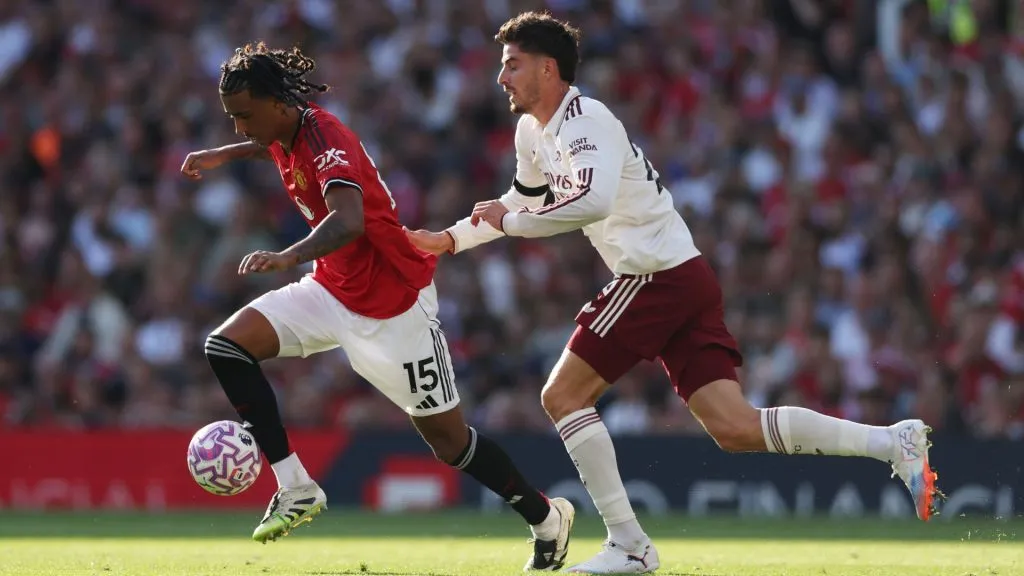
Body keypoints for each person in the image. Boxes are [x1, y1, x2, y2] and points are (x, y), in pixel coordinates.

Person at [405, 11, 943, 575]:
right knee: (735, 428)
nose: (502, 77)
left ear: (549, 68)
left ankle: (630, 544)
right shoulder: (532, 133)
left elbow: (589, 203)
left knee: (562, 397)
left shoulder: (588, 121)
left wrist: (510, 224)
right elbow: (515, 201)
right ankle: (891, 442)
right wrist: (448, 240)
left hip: (654, 276)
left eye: (512, 65)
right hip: (682, 274)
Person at [180, 42, 575, 571]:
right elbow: (264, 146)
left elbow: (349, 221)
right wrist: (220, 155)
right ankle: (296, 485)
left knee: (450, 443)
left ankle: (547, 518)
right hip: (331, 291)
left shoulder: (326, 138)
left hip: (397, 308)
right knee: (226, 346)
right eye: (231, 118)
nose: (238, 127)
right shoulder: (282, 130)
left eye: (244, 116)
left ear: (277, 104)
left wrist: (286, 256)